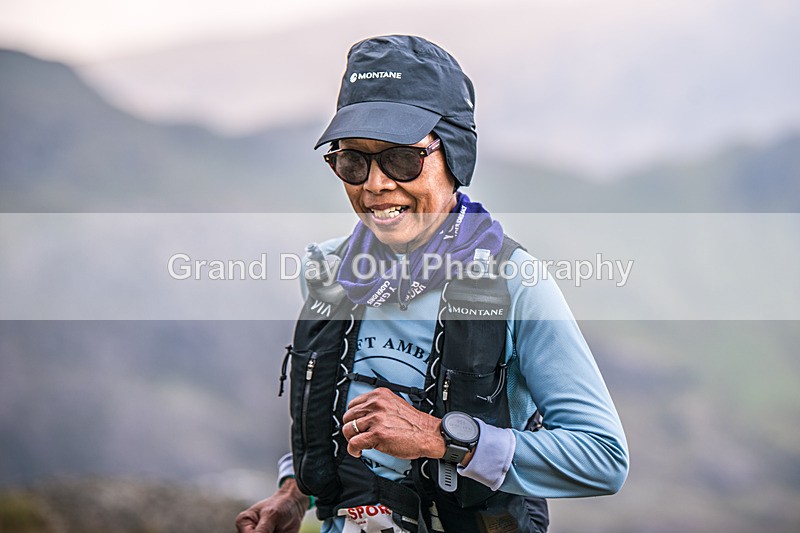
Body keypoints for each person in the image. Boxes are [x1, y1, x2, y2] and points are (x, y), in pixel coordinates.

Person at [236, 35, 628, 533]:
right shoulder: (328, 271)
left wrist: (444, 438)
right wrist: (294, 494)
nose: (375, 184)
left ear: (455, 155)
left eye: (402, 159)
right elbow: (331, 404)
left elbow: (604, 458)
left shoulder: (516, 284)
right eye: (352, 161)